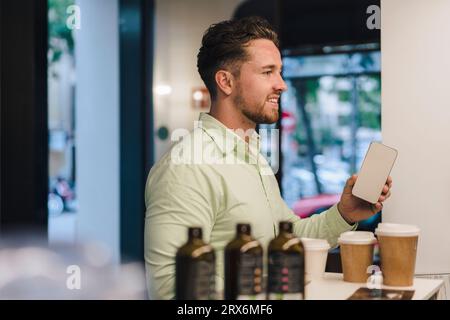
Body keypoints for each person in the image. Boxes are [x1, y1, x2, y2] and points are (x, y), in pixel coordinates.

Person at [144, 16, 392, 300]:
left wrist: (344, 213)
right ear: (225, 81)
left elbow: (289, 238)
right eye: (267, 72)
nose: (281, 85)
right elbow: (171, 290)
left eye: (280, 72)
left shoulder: (251, 156)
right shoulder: (186, 168)